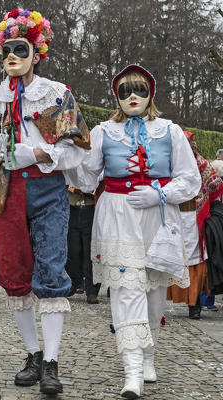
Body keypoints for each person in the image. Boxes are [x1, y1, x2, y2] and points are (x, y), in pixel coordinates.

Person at [0, 8, 90, 395]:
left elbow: (76, 151)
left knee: (52, 269)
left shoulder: (56, 95)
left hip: (47, 190)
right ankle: (33, 353)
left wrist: (37, 154)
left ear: (36, 52)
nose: (12, 56)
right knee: (14, 271)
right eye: (7, 49)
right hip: (5, 192)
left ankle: (52, 361)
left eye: (20, 48)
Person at [75, 64, 200, 398]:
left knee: (154, 294)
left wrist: (161, 193)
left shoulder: (170, 131)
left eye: (139, 90)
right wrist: (72, 150)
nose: (132, 96)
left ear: (150, 94)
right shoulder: (104, 131)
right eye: (125, 90)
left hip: (158, 217)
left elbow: (190, 179)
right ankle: (131, 372)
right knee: (126, 290)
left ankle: (148, 354)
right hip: (117, 215)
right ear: (116, 95)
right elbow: (86, 179)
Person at [167, 131, 223, 319]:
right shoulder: (171, 163)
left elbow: (216, 186)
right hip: (174, 213)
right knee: (174, 256)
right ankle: (189, 303)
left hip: (194, 216)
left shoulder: (200, 164)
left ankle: (195, 303)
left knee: (195, 260)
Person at [65, 186, 101, 304]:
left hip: (92, 206)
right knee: (73, 249)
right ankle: (73, 282)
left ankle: (92, 290)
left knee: (91, 251)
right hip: (72, 205)